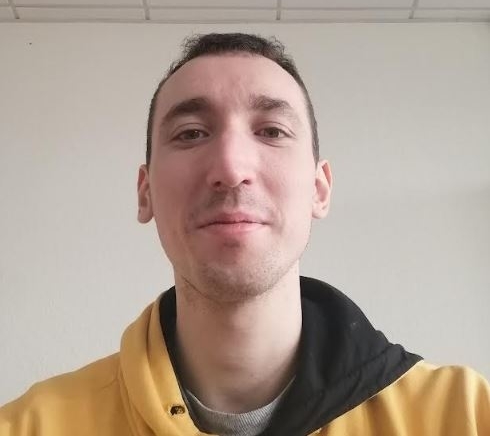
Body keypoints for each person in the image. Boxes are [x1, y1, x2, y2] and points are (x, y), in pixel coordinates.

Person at [0, 32, 488, 436]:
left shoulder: (466, 416)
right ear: (145, 193)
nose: (231, 169)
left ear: (319, 189)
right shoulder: (29, 426)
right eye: (191, 133)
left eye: (272, 131)